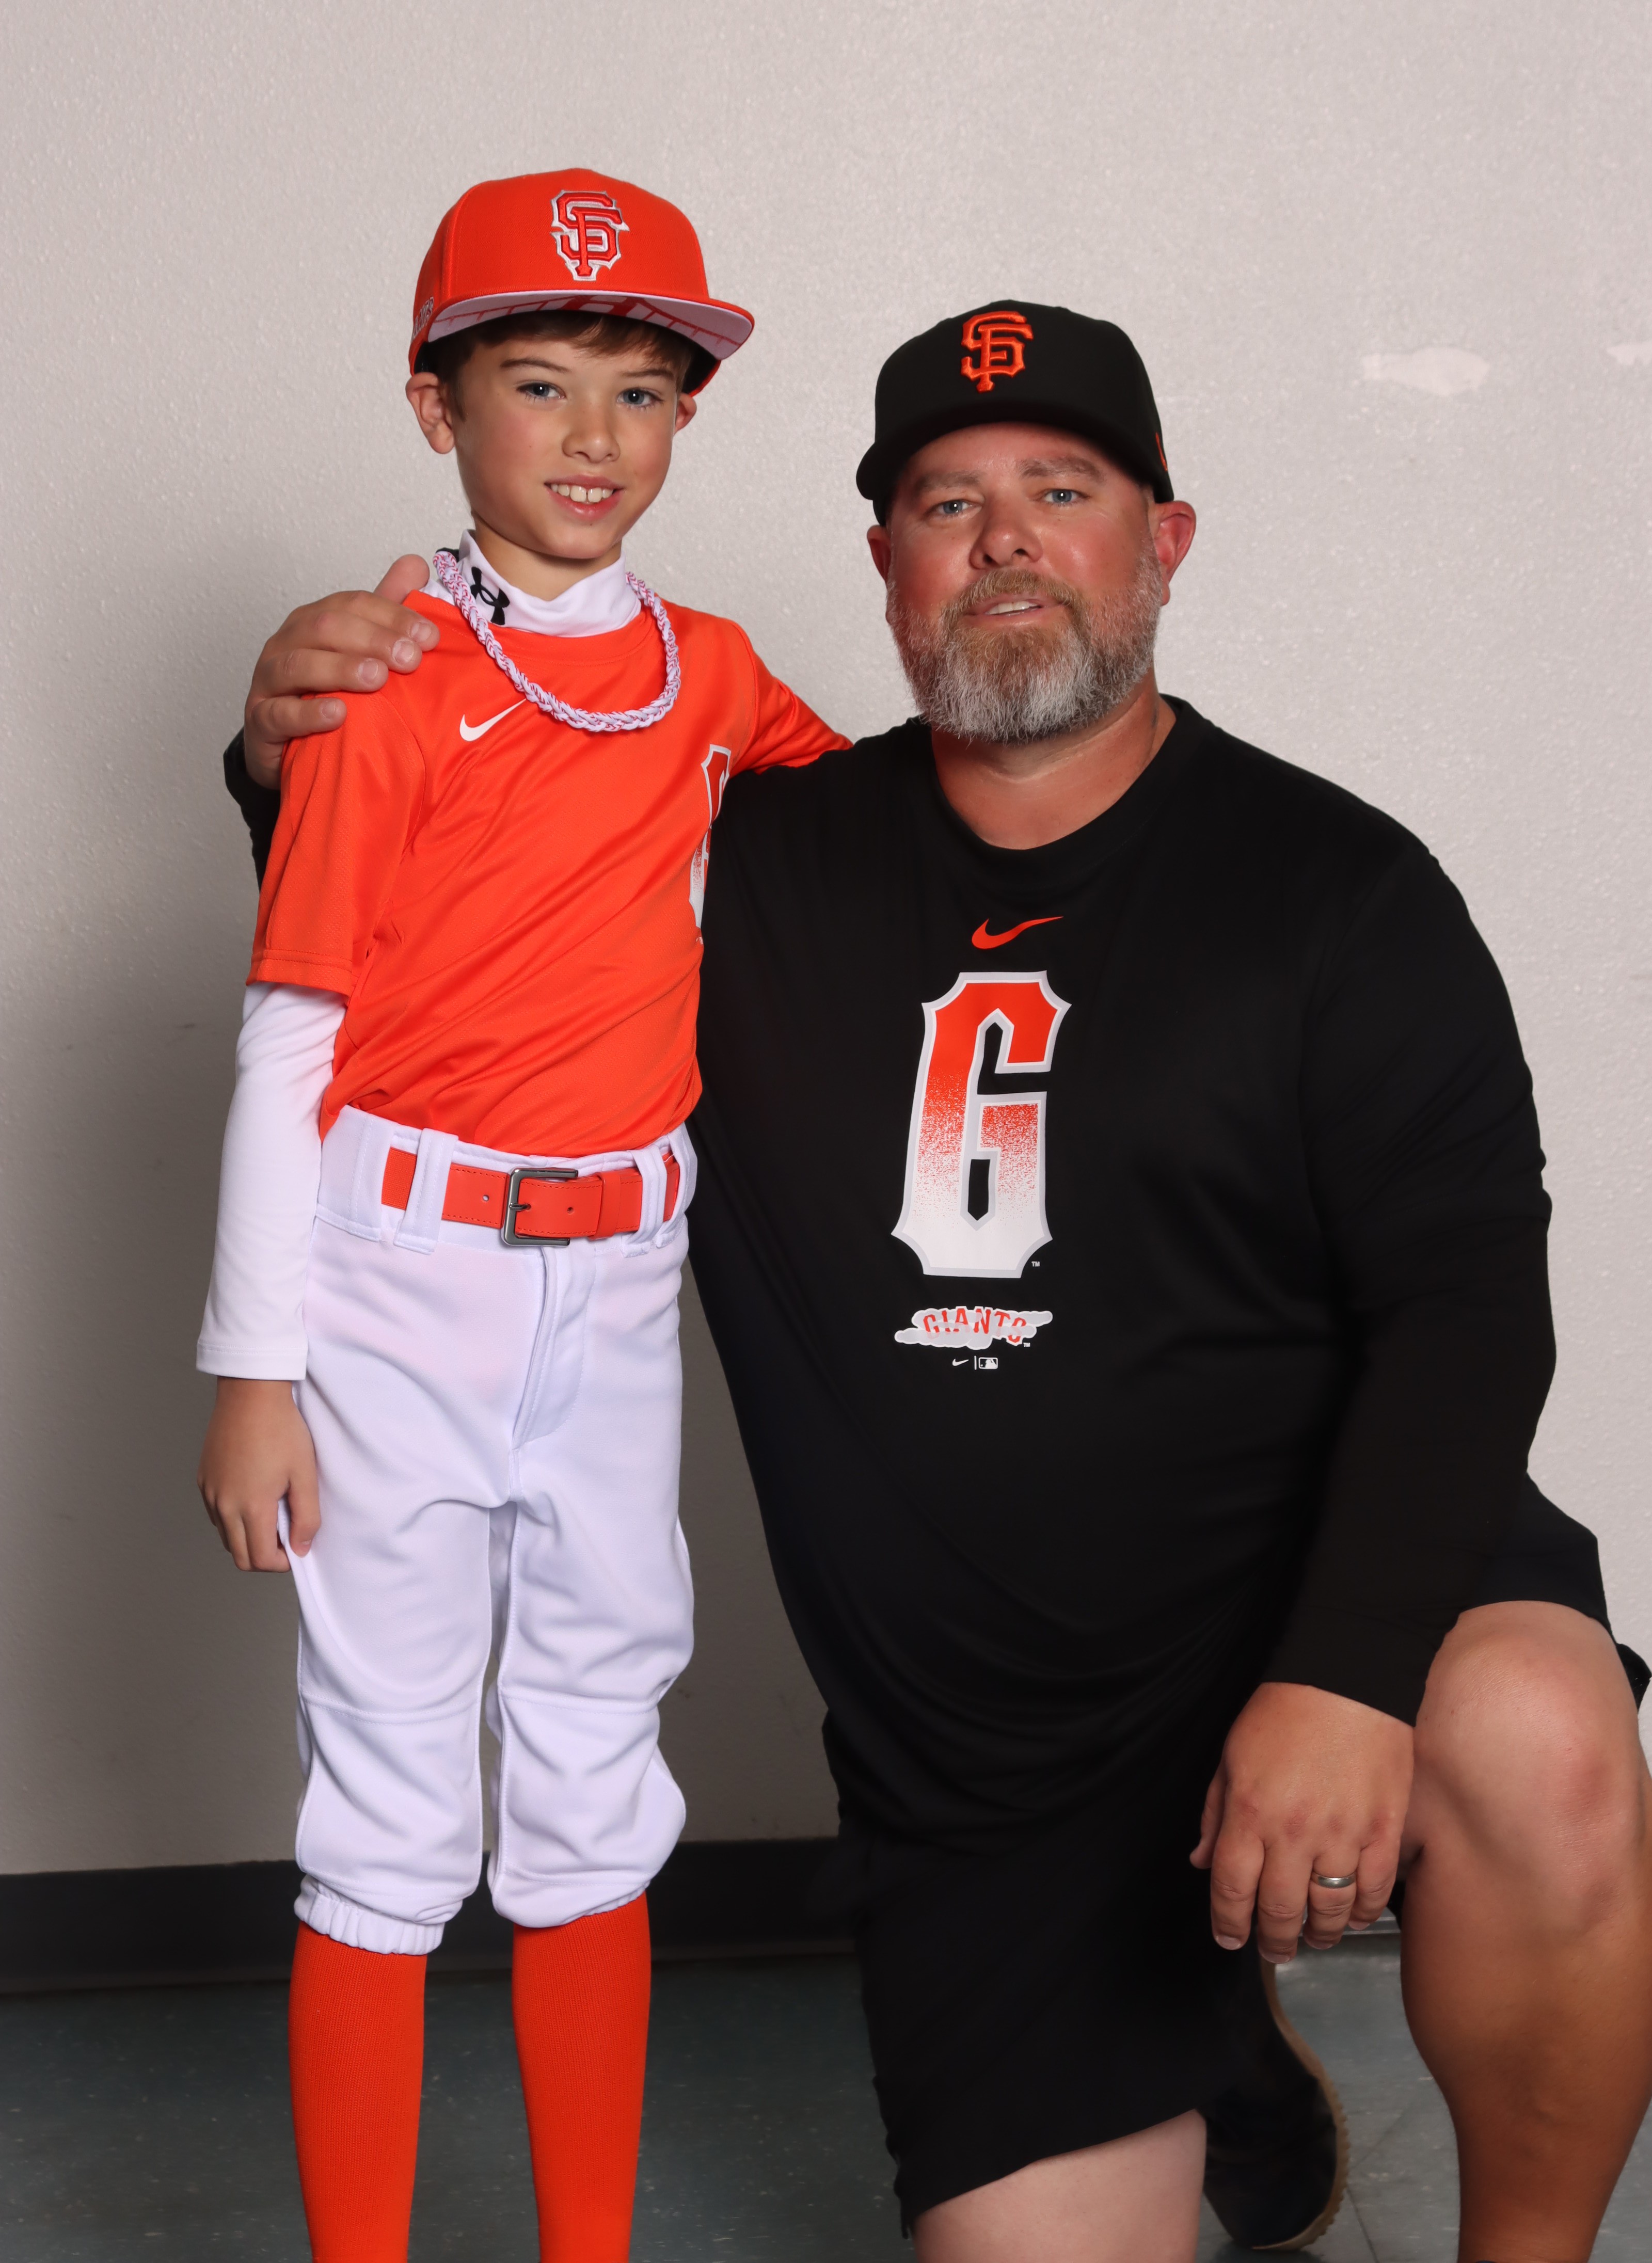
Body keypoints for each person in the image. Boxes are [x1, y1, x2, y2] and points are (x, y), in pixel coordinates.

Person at [224, 301, 1652, 2263]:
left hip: (1304, 1610)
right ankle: (1222, 2068)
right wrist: (286, 759)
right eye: (945, 501)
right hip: (993, 1763)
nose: (1005, 540)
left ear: (1165, 542)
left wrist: (1346, 1668)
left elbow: (1471, 1305)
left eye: (1063, 490)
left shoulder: (1339, 887)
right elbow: (468, 922)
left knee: (1538, 1730)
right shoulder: (748, 862)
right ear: (886, 564)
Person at [195, 168, 844, 2263]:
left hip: (622, 1280)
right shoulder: (383, 675)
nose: (592, 435)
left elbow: (875, 838)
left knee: (591, 1775)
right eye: (540, 381)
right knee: (391, 1801)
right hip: (399, 1277)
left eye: (640, 391)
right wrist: (254, 1372)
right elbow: (291, 1034)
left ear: (686, 422)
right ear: (436, 410)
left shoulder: (710, 669)